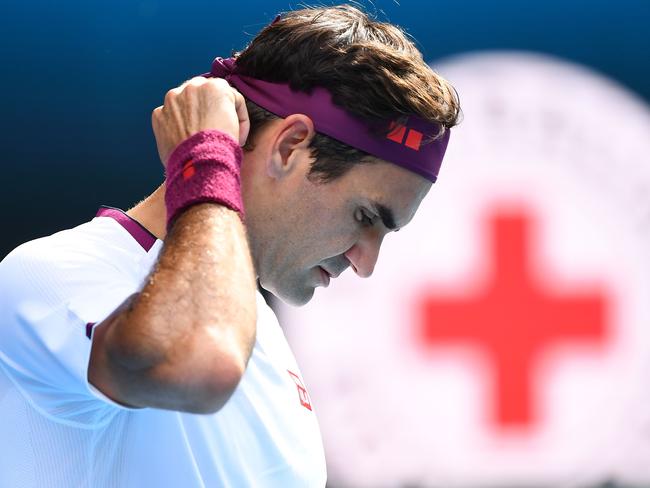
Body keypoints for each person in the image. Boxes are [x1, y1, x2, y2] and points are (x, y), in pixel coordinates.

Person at [0, 5, 460, 487]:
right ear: (288, 147)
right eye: (364, 216)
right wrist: (204, 159)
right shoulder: (54, 275)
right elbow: (195, 365)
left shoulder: (253, 326)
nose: (365, 263)